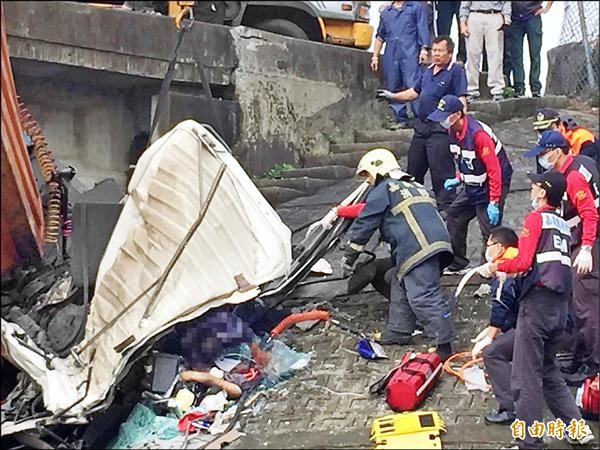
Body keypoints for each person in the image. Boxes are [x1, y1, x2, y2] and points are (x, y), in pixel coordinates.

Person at [487, 170, 595, 449]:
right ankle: (577, 429)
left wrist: (496, 266)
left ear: (543, 191)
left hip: (537, 307)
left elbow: (523, 262)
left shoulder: (536, 219)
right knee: (548, 371)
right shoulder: (561, 223)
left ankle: (529, 442)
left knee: (525, 377)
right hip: (560, 308)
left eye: (535, 185)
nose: (531, 188)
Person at [339, 148, 455, 360]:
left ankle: (443, 344)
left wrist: (349, 256)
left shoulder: (384, 189)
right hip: (435, 243)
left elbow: (365, 223)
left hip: (418, 247)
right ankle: (399, 330)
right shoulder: (416, 185)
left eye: (368, 175)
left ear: (378, 169)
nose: (369, 182)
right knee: (398, 279)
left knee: (423, 296)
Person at [523, 130, 600, 385]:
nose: (542, 159)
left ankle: (593, 364)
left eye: (544, 153)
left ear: (557, 150)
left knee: (586, 307)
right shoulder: (579, 165)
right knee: (578, 305)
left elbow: (589, 213)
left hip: (587, 244)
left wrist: (587, 248)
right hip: (579, 241)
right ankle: (580, 355)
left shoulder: (573, 177)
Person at [376, 36, 468, 214]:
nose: (436, 54)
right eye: (434, 50)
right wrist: (392, 96)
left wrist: (463, 126)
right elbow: (414, 92)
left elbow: (461, 98)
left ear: (449, 52)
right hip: (422, 127)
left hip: (441, 128)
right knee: (413, 168)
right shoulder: (427, 70)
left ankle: (446, 209)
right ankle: (411, 203)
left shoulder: (455, 71)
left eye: (440, 51)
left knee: (441, 171)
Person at [427, 94, 513, 271]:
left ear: (457, 114)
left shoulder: (478, 135)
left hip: (492, 183)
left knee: (489, 230)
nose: (442, 121)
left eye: (445, 116)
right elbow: (462, 158)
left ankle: (488, 271)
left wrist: (494, 201)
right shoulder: (453, 132)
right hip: (473, 183)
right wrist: (459, 178)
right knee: (454, 214)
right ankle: (457, 262)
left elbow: (494, 170)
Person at [471, 226, 521, 425]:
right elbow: (513, 308)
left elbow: (502, 302)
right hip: (555, 319)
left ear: (499, 247)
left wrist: (491, 334)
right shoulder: (520, 258)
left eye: (489, 244)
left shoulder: (505, 268)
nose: (486, 249)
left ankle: (510, 409)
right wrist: (496, 328)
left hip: (535, 324)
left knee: (493, 353)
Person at [371, 1, 431, 127]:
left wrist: (424, 49)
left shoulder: (416, 7)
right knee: (393, 84)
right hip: (391, 53)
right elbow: (380, 36)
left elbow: (422, 28)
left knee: (413, 84)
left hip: (411, 51)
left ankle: (420, 118)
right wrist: (375, 56)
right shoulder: (386, 13)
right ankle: (401, 118)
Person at [459, 1, 512, 102]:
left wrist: (507, 18)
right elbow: (465, 3)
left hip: (495, 14)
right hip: (474, 14)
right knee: (472, 54)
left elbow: (506, 1)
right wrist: (463, 22)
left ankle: (497, 88)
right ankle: (471, 89)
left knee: (496, 54)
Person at [505, 1, 553, 98]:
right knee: (516, 55)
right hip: (515, 18)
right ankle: (519, 87)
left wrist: (546, 8)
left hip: (532, 16)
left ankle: (535, 87)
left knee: (535, 54)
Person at [532, 108, 600, 163]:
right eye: (540, 131)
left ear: (559, 125)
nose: (543, 134)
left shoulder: (582, 138)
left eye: (546, 130)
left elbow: (590, 167)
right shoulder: (543, 142)